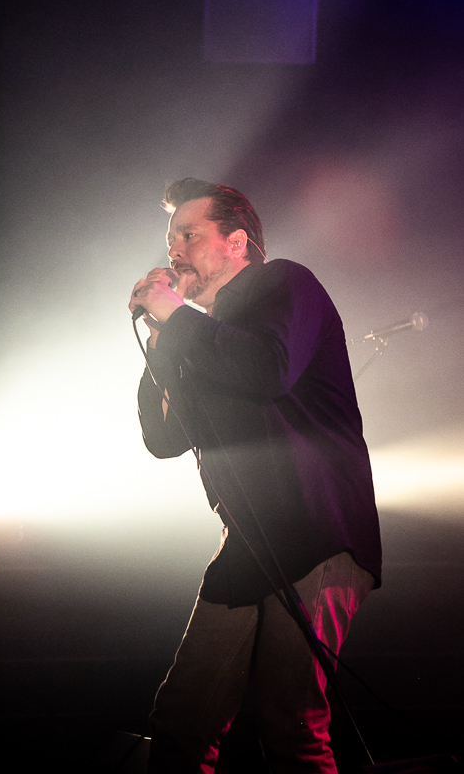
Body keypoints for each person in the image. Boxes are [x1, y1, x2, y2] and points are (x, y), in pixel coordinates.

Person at [129, 178, 382, 774]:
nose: (174, 251)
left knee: (290, 722)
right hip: (248, 541)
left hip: (317, 528)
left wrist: (177, 317)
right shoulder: (198, 334)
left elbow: (267, 369)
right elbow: (165, 439)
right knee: (182, 716)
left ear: (237, 242)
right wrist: (162, 339)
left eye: (189, 235)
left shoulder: (286, 283)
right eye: (170, 240)